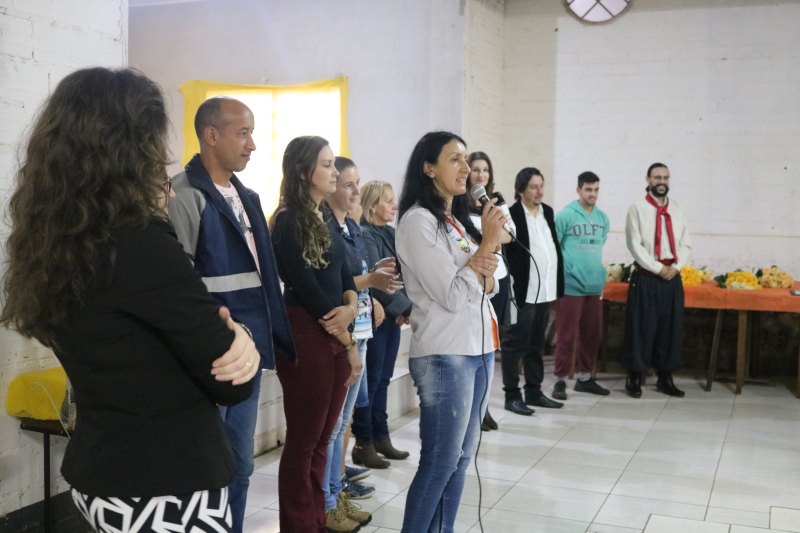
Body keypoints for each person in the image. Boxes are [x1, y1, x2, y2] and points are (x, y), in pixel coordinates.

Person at [0, 67, 260, 533]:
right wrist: (240, 334)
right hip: (165, 486)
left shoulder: (54, 241)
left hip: (101, 474)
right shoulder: (138, 240)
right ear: (130, 148)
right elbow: (232, 382)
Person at [169, 96, 297, 533]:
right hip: (211, 359)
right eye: (244, 133)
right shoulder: (183, 196)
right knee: (208, 468)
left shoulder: (248, 196)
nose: (253, 145)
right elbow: (177, 284)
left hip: (249, 353)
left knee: (240, 466)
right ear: (211, 135)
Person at [396, 131, 507, 533]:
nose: (466, 168)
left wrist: (483, 260)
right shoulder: (417, 222)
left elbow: (492, 282)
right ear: (429, 167)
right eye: (455, 159)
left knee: (462, 458)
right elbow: (453, 295)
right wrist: (488, 247)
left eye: (466, 159)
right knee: (442, 458)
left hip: (477, 348)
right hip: (445, 354)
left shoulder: (453, 221)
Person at [269, 135, 363, 533]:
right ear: (304, 172)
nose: (334, 172)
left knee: (324, 439)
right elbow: (307, 290)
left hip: (335, 327)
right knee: (305, 441)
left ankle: (316, 519)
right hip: (307, 329)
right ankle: (297, 525)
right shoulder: (288, 219)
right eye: (326, 165)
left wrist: (352, 307)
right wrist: (348, 340)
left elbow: (344, 276)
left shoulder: (325, 215)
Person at [321, 156, 403, 532]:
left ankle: (335, 494)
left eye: (356, 183)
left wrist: (369, 296)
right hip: (342, 332)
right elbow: (343, 281)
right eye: (348, 183)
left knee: (342, 424)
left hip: (364, 327)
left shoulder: (352, 227)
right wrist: (369, 284)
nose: (356, 190)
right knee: (334, 425)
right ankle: (326, 501)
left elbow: (358, 280)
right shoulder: (325, 227)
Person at [351, 181, 413, 468]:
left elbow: (404, 273)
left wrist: (404, 309)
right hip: (377, 316)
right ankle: (364, 441)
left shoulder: (390, 232)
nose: (394, 206)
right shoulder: (365, 233)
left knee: (383, 378)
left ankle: (381, 436)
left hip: (391, 316)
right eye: (388, 201)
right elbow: (377, 282)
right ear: (373, 205)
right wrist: (403, 308)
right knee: (372, 381)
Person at [623, 163, 691, 398]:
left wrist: (675, 267)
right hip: (647, 278)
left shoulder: (679, 209)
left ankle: (665, 377)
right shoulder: (637, 209)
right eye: (657, 177)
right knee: (641, 327)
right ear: (648, 179)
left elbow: (685, 243)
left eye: (666, 177)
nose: (662, 181)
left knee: (670, 329)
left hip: (672, 278)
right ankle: (634, 376)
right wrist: (658, 268)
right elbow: (634, 244)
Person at [502, 168, 565, 416]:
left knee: (536, 344)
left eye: (541, 186)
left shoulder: (547, 212)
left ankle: (535, 391)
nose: (539, 191)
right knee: (515, 344)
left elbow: (552, 247)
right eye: (533, 187)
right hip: (524, 290)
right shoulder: (512, 213)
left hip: (546, 289)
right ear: (520, 191)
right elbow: (509, 253)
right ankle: (512, 395)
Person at [466, 151, 515, 431]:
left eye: (485, 169)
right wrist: (492, 235)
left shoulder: (494, 201)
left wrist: (489, 234)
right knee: (476, 342)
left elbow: (510, 234)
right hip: (476, 280)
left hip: (499, 278)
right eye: (475, 169)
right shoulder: (460, 206)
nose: (481, 174)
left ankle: (484, 408)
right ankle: (475, 407)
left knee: (492, 345)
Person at [552, 172, 611, 400]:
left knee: (592, 335)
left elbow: (600, 244)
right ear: (578, 190)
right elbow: (555, 247)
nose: (592, 194)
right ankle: (560, 380)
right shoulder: (565, 216)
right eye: (588, 189)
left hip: (594, 287)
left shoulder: (603, 218)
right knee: (566, 336)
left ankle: (585, 379)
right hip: (571, 286)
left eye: (596, 189)